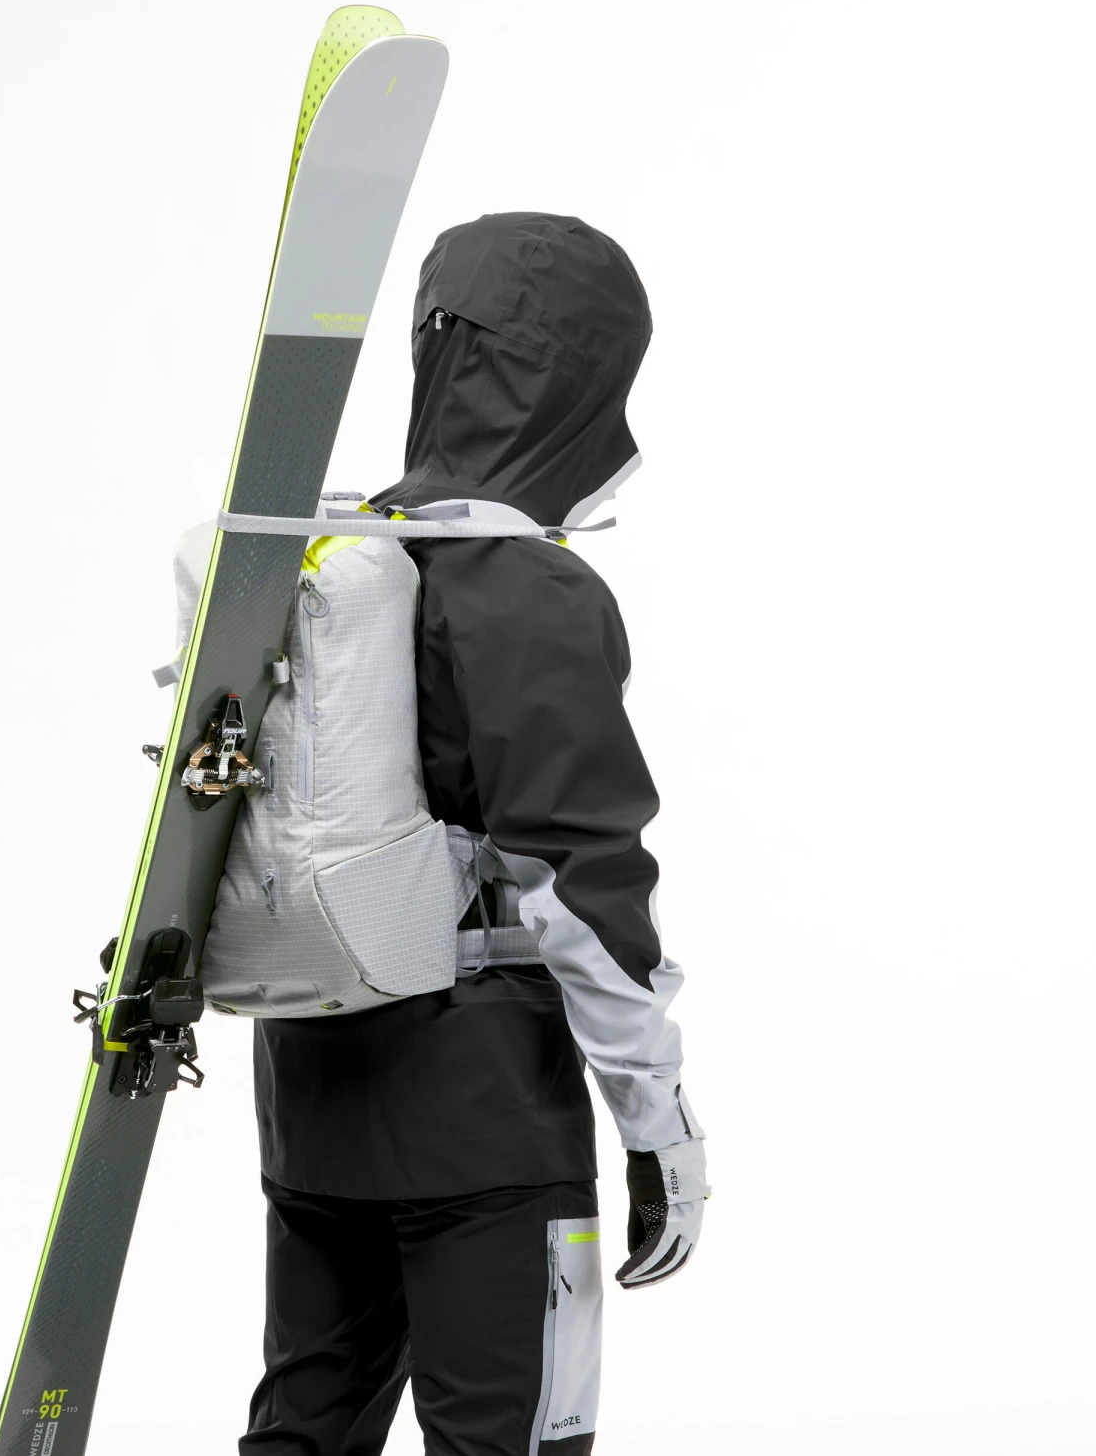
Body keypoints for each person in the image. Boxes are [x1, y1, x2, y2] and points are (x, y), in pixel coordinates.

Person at [239, 212, 708, 1456]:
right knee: (515, 1441)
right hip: (486, 1118)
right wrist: (657, 1122)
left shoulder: (330, 554)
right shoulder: (525, 583)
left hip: (311, 1088)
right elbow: (581, 877)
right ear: (584, 377)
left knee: (303, 1432)